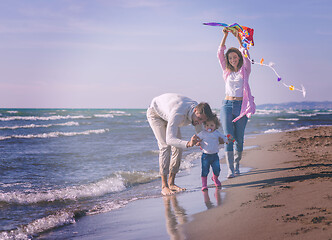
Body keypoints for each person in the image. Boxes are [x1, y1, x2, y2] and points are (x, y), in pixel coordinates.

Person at [147, 93, 215, 196]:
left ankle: (172, 183)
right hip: (155, 113)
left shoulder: (198, 113)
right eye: (199, 119)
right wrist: (188, 143)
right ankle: (164, 186)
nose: (200, 122)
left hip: (169, 113)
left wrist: (211, 144)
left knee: (178, 148)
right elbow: (170, 139)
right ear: (195, 110)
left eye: (203, 121)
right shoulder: (178, 113)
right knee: (165, 146)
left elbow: (201, 134)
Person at [218, 28, 256, 178]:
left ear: (239, 58)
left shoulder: (245, 70)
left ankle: (237, 164)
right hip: (226, 105)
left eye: (235, 57)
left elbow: (245, 53)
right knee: (229, 136)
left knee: (239, 139)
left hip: (242, 107)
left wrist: (239, 38)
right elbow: (219, 54)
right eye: (230, 58)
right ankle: (230, 169)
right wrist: (225, 36)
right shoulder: (226, 71)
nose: (233, 60)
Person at [197, 114, 228, 191]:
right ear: (204, 126)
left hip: (215, 155)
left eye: (211, 125)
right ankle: (204, 185)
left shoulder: (217, 133)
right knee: (205, 170)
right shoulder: (203, 133)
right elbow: (198, 138)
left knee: (217, 170)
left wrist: (226, 140)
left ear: (215, 126)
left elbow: (223, 137)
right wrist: (197, 142)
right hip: (205, 156)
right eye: (207, 125)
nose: (209, 127)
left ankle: (215, 178)